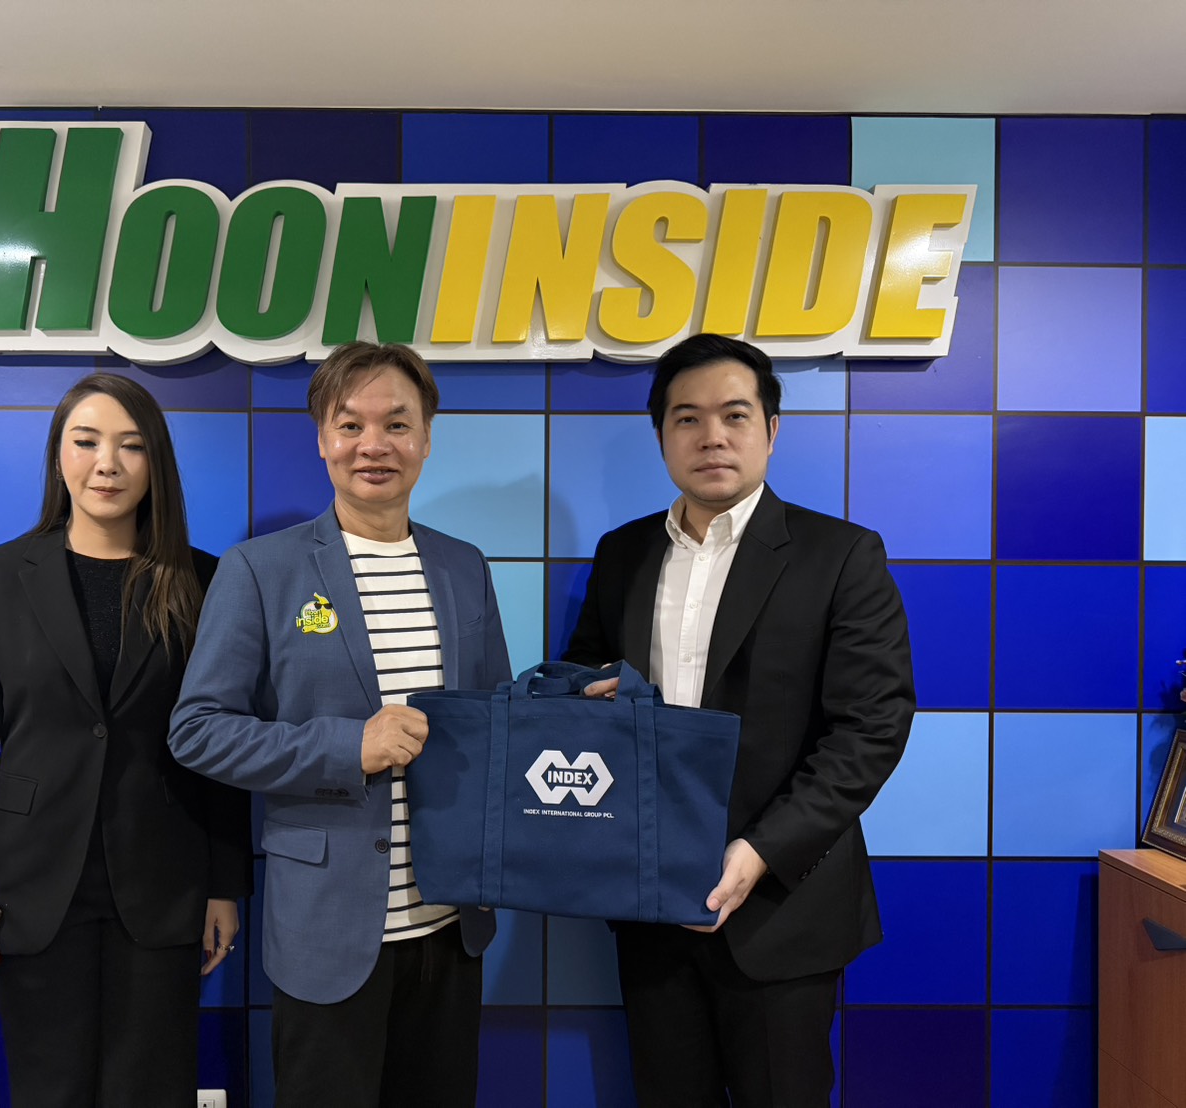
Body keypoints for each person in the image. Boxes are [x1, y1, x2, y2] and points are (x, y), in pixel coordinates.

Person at [565, 334, 915, 1108]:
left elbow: (870, 728)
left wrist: (757, 852)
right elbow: (584, 676)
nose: (711, 437)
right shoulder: (622, 554)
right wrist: (587, 696)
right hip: (649, 903)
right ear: (661, 435)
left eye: (733, 415)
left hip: (782, 908)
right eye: (686, 418)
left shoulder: (840, 555)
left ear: (770, 429)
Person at [169, 341, 512, 1108]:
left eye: (397, 424)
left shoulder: (463, 566)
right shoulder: (261, 569)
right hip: (326, 930)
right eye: (349, 424)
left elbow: (491, 718)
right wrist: (346, 746)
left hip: (450, 924)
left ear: (426, 438)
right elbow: (197, 729)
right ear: (321, 438)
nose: (373, 445)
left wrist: (571, 716)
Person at [0, 373, 252, 1107]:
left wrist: (224, 882)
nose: (107, 464)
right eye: (87, 441)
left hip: (164, 880)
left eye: (132, 446)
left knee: (153, 1089)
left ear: (155, 462)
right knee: (51, 1090)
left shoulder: (204, 580)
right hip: (32, 885)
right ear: (58, 456)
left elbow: (222, 741)